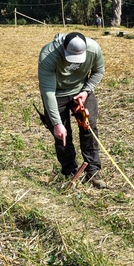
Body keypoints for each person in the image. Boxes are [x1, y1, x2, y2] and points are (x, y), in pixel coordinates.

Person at [37, 32, 107, 188]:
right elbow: (47, 91)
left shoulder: (94, 49)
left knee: (89, 128)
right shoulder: (48, 55)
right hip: (56, 93)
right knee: (62, 135)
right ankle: (70, 172)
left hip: (81, 90)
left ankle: (93, 171)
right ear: (63, 47)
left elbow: (98, 71)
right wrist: (56, 123)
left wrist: (86, 91)